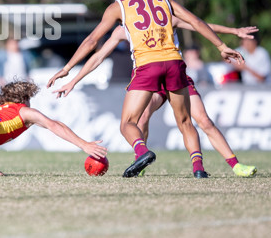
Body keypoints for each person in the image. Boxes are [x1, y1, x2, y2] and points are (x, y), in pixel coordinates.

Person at [47, 0, 244, 178]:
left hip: (148, 66)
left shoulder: (118, 7)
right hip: (174, 64)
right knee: (186, 121)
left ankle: (142, 151)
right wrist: (222, 46)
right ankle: (198, 170)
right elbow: (196, 22)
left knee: (128, 123)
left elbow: (92, 41)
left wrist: (67, 69)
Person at [57, 20, 257, 177]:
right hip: (153, 79)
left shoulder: (164, 16)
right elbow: (99, 56)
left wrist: (233, 31)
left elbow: (199, 24)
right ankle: (141, 161)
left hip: (176, 75)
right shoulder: (124, 26)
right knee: (141, 118)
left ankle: (229, 166)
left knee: (202, 120)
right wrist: (74, 79)